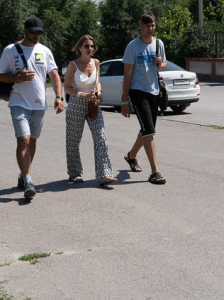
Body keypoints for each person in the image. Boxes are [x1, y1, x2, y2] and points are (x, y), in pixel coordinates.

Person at [0, 17, 64, 201]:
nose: (37, 35)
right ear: (25, 30)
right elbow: (0, 76)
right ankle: (28, 181)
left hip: (39, 104)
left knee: (32, 141)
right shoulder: (10, 50)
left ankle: (23, 173)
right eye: (33, 32)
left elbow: (55, 75)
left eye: (40, 32)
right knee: (24, 140)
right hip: (18, 102)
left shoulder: (45, 51)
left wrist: (58, 97)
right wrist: (18, 77)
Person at [121, 13, 167, 184]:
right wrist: (125, 101)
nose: (150, 28)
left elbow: (163, 65)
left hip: (154, 91)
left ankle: (131, 155)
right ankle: (155, 171)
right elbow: (127, 75)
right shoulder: (132, 47)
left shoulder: (158, 44)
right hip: (137, 91)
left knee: (147, 128)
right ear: (141, 27)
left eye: (153, 25)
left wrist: (160, 63)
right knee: (148, 130)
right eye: (147, 25)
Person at [63, 35, 115, 186]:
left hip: (93, 104)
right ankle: (75, 173)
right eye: (86, 46)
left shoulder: (96, 63)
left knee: (101, 138)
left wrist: (98, 92)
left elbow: (97, 82)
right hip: (76, 103)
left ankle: (105, 174)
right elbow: (66, 87)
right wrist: (81, 94)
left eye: (92, 46)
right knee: (73, 141)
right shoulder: (73, 65)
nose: (90, 49)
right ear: (80, 48)